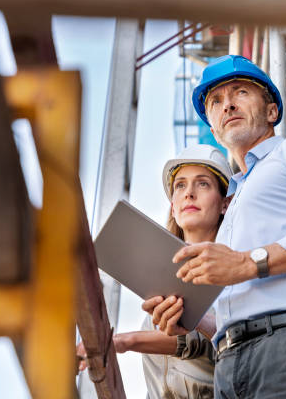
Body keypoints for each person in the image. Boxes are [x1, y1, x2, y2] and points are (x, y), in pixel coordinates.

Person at [144, 55, 286, 398]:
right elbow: (242, 305)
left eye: (241, 92)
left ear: (272, 112)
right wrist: (192, 321)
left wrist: (250, 262)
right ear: (215, 131)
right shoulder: (232, 207)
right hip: (230, 365)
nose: (227, 104)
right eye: (215, 101)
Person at [78, 144, 233, 399]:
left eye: (203, 184)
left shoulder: (235, 272)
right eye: (180, 185)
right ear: (173, 207)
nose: (189, 194)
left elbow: (214, 341)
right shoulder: (159, 284)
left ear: (225, 204)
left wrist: (124, 342)